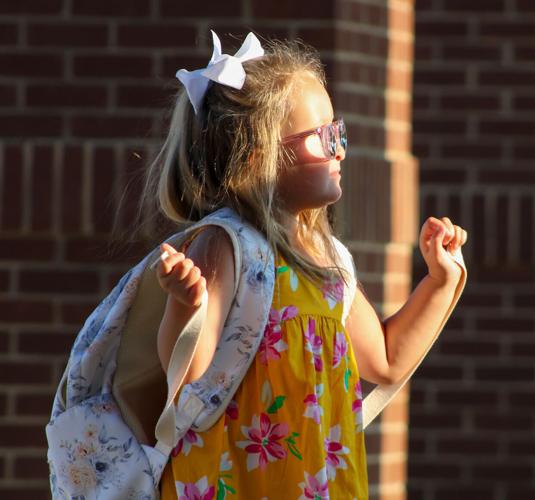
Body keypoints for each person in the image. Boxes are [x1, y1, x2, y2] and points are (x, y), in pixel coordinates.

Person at [142, 30, 467, 499]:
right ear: (260, 156)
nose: (340, 148)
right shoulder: (227, 245)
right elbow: (188, 375)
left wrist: (440, 280)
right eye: (323, 137)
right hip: (236, 482)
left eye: (340, 132)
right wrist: (186, 305)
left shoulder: (327, 258)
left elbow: (387, 361)